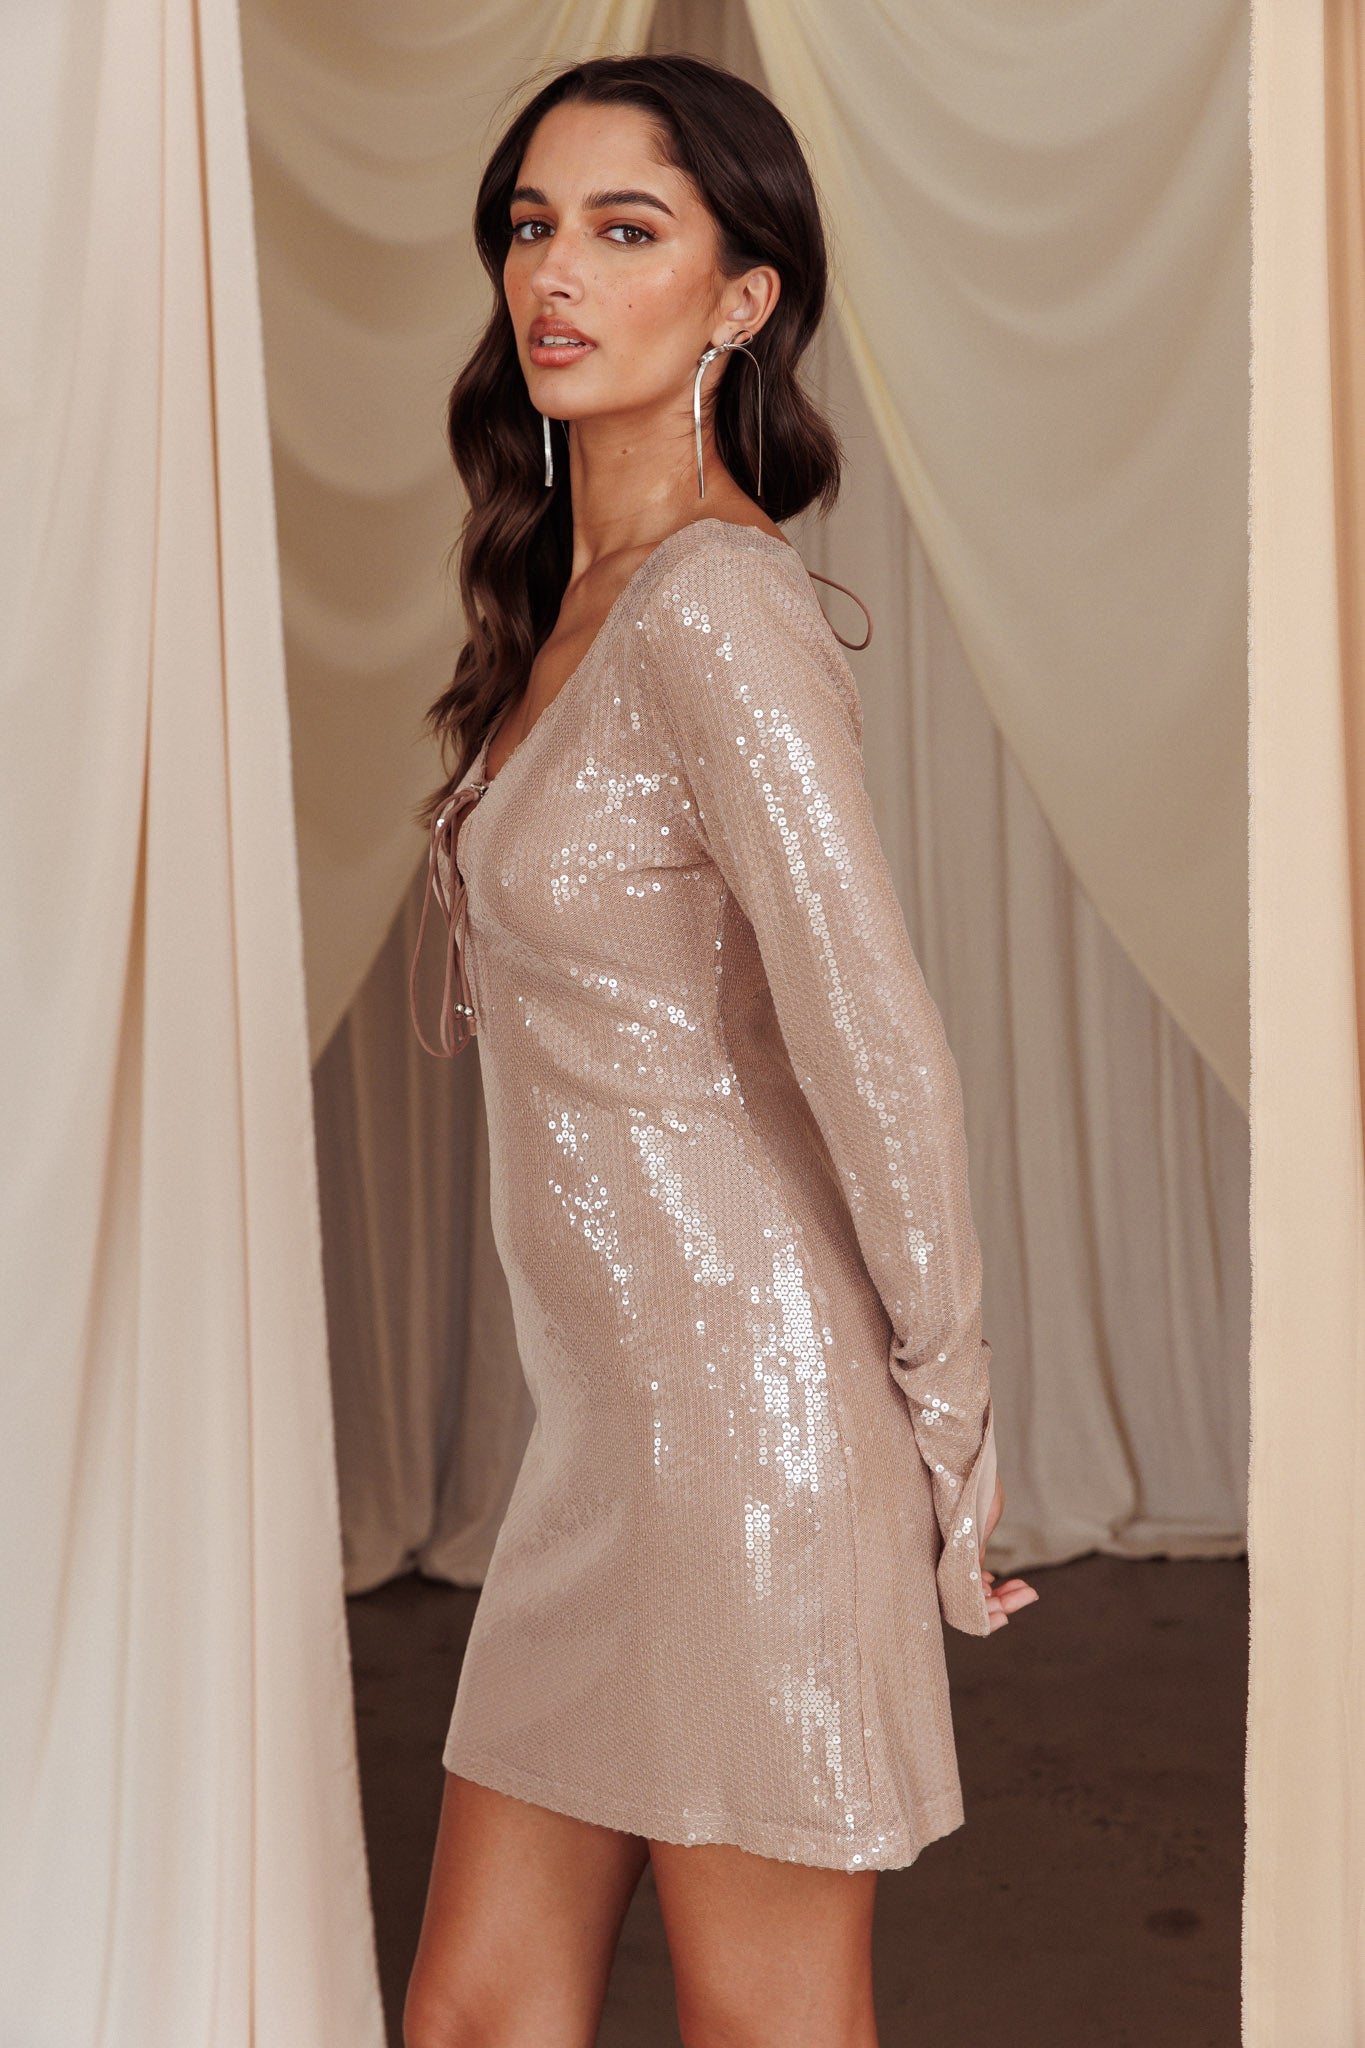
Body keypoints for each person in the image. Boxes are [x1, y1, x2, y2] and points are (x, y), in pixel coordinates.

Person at [403, 51, 1039, 2048]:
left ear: (740, 297)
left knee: (764, 2025)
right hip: (601, 1442)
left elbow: (872, 1032)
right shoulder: (570, 599)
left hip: (750, 1429)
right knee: (476, 2018)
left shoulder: (715, 610)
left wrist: (946, 1425)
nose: (554, 275)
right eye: (533, 225)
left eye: (625, 229)